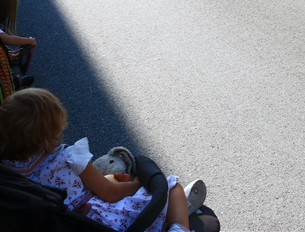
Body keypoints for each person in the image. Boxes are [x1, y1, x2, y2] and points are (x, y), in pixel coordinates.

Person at [0, 88, 204, 232]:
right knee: (171, 187)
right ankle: (178, 224)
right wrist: (137, 183)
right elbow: (110, 193)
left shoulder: (7, 170)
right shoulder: (68, 156)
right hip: (98, 221)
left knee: (111, 177)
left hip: (63, 221)